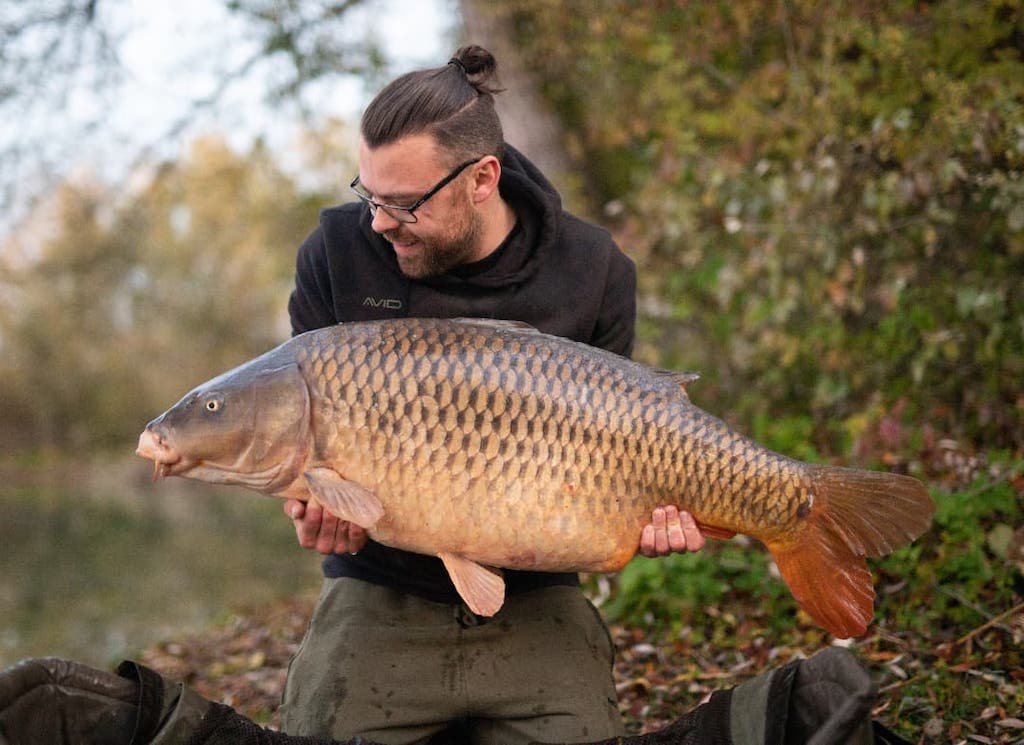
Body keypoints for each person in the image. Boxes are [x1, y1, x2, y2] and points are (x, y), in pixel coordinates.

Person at [275, 44, 706, 745]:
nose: (380, 222)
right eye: (369, 193)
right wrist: (316, 509)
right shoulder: (335, 254)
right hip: (380, 582)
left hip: (536, 591)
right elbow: (308, 448)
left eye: (404, 203)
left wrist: (651, 514)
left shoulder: (594, 269)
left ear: (483, 179)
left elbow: (624, 447)